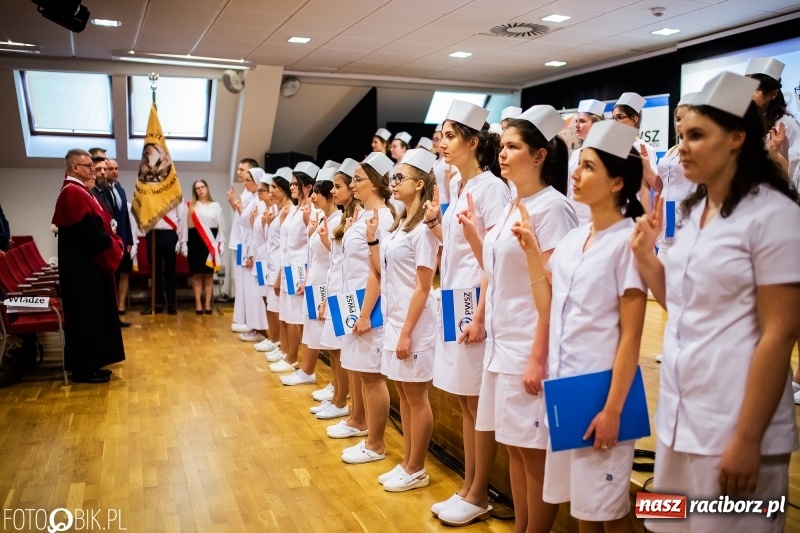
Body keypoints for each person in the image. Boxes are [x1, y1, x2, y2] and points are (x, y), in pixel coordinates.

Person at [631, 72, 800, 533]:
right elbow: (682, 308)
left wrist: (747, 440)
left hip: (737, 428)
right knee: (666, 524)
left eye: (697, 135)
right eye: (681, 135)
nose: (681, 146)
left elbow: (780, 332)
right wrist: (647, 262)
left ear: (737, 138)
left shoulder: (775, 213)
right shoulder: (694, 213)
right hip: (679, 419)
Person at [441, 106, 578, 529]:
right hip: (503, 346)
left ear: (539, 156)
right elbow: (496, 273)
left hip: (529, 347)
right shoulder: (514, 204)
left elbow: (554, 291)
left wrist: (539, 356)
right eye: (503, 145)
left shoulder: (553, 208)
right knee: (517, 447)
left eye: (514, 146)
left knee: (534, 451)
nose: (502, 153)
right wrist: (475, 239)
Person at [537, 120, 646, 532]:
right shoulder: (573, 240)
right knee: (583, 509)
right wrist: (532, 252)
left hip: (604, 392)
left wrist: (613, 409)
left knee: (608, 511)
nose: (576, 175)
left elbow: (632, 335)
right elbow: (551, 306)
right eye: (577, 165)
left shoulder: (629, 240)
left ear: (617, 182)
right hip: (568, 388)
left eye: (588, 167)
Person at [423, 99, 511, 523]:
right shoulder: (461, 186)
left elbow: (492, 258)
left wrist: (478, 315)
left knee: (477, 400)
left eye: (450, 135)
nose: (442, 142)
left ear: (474, 142)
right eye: (441, 135)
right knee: (464, 400)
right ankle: (467, 486)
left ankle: (478, 493)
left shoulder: (493, 189)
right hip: (454, 298)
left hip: (474, 303)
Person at [373, 149, 440, 492]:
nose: (393, 183)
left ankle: (417, 467)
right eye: (393, 177)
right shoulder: (400, 224)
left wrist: (406, 333)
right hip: (396, 318)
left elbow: (423, 286)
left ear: (420, 183)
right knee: (403, 393)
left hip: (414, 324)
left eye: (400, 178)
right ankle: (407, 462)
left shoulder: (424, 230)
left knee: (416, 397)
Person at [331, 152, 395, 462]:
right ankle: (365, 431)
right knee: (361, 370)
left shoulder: (382, 219)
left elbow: (378, 272)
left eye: (358, 179)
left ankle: (376, 444)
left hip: (370, 306)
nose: (352, 184)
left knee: (372, 376)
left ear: (375, 183)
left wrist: (367, 313)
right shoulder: (363, 216)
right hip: (354, 303)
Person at [52, 149, 125, 384]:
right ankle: (83, 369)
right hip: (83, 271)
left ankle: (91, 365)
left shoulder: (81, 192)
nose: (93, 170)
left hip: (89, 268)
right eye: (88, 166)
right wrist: (114, 247)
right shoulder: (73, 193)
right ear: (74, 168)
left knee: (93, 317)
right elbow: (90, 233)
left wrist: (113, 240)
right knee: (86, 319)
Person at [282, 166, 340, 386]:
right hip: (314, 278)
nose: (313, 196)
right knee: (314, 331)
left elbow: (334, 255)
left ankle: (333, 387)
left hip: (326, 282)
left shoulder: (335, 220)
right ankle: (326, 383)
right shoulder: (320, 217)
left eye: (317, 192)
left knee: (329, 342)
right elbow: (313, 252)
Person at [312, 159, 358, 420]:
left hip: (346, 292)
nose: (332, 192)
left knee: (340, 350)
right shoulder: (345, 219)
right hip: (335, 289)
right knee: (333, 348)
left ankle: (341, 399)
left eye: (337, 187)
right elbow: (337, 261)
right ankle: (337, 396)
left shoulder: (346, 218)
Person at [270, 161, 319, 373]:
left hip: (301, 269)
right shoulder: (293, 210)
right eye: (290, 184)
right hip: (289, 268)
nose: (292, 188)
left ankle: (292, 358)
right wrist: (280, 274)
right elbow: (285, 246)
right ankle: (288, 354)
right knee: (288, 314)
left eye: (295, 183)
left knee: (296, 317)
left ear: (308, 186)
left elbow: (311, 245)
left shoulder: (313, 210)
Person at [260, 167, 294, 360]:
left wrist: (280, 273)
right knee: (277, 310)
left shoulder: (290, 211)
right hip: (273, 265)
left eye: (273, 187)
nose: (270, 191)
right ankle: (280, 345)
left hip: (281, 267)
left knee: (284, 313)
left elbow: (286, 245)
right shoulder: (280, 211)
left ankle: (286, 350)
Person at [745, 57, 799, 167]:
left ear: (773, 94)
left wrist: (775, 154)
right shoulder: (741, 124)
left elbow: (796, 174)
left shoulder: (787, 124)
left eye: (757, 89)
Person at [235, 168, 268, 341]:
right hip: (249, 246)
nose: (245, 183)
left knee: (255, 292)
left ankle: (260, 329)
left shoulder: (260, 202)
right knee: (249, 291)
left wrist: (253, 256)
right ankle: (253, 326)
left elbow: (260, 229)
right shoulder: (253, 200)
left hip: (254, 250)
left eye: (248, 180)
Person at [612, 92, 659, 211]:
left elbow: (646, 191)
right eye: (613, 118)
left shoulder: (644, 149)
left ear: (634, 119)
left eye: (619, 117)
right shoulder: (612, 148)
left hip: (634, 212)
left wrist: (644, 222)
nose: (615, 122)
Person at [184, 179, 225, 314]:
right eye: (197, 188)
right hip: (195, 241)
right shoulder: (191, 206)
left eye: (202, 187)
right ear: (194, 191)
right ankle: (198, 304)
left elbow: (221, 227)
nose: (200, 189)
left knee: (208, 275)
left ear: (207, 188)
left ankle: (208, 304)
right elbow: (184, 227)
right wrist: (183, 242)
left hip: (210, 243)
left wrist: (221, 243)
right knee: (196, 275)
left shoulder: (216, 206)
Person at [140, 201, 187, 316]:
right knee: (155, 272)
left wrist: (182, 239)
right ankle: (156, 304)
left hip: (169, 234)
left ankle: (171, 304)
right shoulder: (149, 193)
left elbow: (182, 217)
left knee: (170, 271)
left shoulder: (175, 193)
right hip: (152, 233)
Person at [228, 158, 258, 333]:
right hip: (240, 241)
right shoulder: (246, 193)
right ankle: (243, 318)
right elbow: (243, 218)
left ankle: (249, 321)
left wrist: (235, 204)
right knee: (239, 281)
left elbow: (248, 220)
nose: (239, 173)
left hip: (247, 243)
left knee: (247, 283)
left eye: (242, 170)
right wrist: (235, 203)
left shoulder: (254, 196)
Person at [567, 99, 605, 226]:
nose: (577, 125)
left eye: (582, 121)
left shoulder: (603, 153)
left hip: (591, 217)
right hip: (571, 214)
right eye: (576, 121)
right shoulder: (575, 154)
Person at [105, 159, 135, 319]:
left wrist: (129, 240)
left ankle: (121, 305)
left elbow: (125, 217)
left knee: (124, 273)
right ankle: (112, 309)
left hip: (124, 240)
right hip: (111, 241)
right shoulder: (102, 190)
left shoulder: (120, 189)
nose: (114, 171)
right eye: (111, 169)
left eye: (116, 168)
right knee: (113, 276)